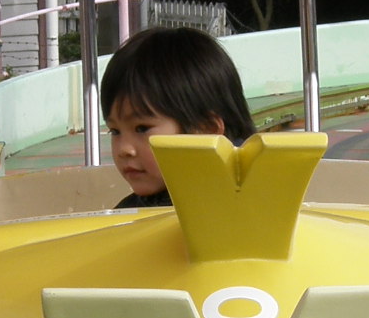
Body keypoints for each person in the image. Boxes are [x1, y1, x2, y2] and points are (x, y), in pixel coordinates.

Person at [101, 26, 256, 208]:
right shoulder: (129, 213)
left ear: (206, 131)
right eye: (115, 131)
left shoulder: (236, 209)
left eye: (142, 128)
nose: (124, 150)